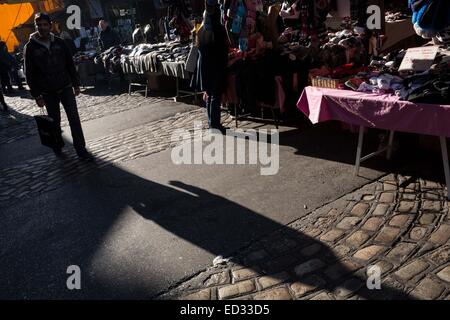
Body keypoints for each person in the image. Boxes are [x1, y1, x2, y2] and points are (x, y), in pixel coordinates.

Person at [24, 12, 92, 160]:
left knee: (74, 119)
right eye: (39, 25)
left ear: (50, 26)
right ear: (36, 27)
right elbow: (29, 73)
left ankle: (81, 150)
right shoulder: (30, 47)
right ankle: (57, 145)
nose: (42, 27)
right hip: (47, 92)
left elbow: (69, 64)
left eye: (45, 25)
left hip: (65, 86)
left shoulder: (60, 42)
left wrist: (76, 84)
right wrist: (36, 95)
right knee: (54, 122)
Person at [196, 0, 229, 132]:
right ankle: (214, 124)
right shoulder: (217, 26)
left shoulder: (203, 28)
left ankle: (212, 123)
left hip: (206, 63)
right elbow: (221, 46)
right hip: (216, 62)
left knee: (210, 94)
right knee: (215, 94)